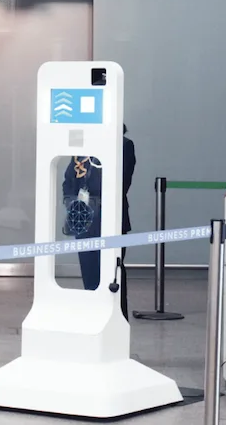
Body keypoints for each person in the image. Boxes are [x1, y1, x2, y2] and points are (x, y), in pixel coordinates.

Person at [63, 124, 136, 319]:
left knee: (113, 271)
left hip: (109, 218)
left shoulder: (124, 146)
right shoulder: (82, 149)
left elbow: (120, 182)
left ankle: (116, 318)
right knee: (89, 271)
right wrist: (72, 203)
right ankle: (93, 315)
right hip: (83, 219)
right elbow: (69, 179)